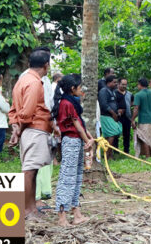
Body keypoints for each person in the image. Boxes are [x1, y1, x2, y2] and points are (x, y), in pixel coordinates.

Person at [9, 49, 57, 219]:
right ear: (46, 65)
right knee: (29, 171)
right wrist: (20, 128)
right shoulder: (35, 83)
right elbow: (27, 112)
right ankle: (27, 210)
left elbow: (14, 109)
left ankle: (31, 208)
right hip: (34, 129)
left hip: (29, 129)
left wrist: (16, 128)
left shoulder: (21, 81)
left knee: (33, 170)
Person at [52, 75, 94, 226]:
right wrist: (87, 140)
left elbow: (79, 122)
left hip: (76, 141)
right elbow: (76, 125)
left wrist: (87, 137)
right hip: (70, 141)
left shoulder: (71, 102)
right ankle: (62, 216)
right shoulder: (66, 103)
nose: (81, 90)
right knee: (67, 178)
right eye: (80, 87)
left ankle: (76, 213)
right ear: (73, 89)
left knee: (76, 177)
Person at [98, 75, 122, 159]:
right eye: (114, 82)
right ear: (108, 83)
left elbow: (114, 103)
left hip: (112, 116)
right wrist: (113, 113)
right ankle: (107, 154)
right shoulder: (103, 91)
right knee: (112, 133)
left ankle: (109, 154)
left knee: (112, 134)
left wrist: (117, 111)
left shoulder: (112, 91)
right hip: (106, 116)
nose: (116, 84)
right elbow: (104, 104)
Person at [116, 78, 133, 154]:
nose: (124, 86)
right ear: (118, 84)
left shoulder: (129, 94)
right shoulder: (114, 93)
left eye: (125, 84)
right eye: (122, 84)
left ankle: (126, 150)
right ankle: (116, 150)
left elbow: (132, 101)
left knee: (127, 134)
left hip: (127, 116)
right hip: (117, 117)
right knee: (116, 134)